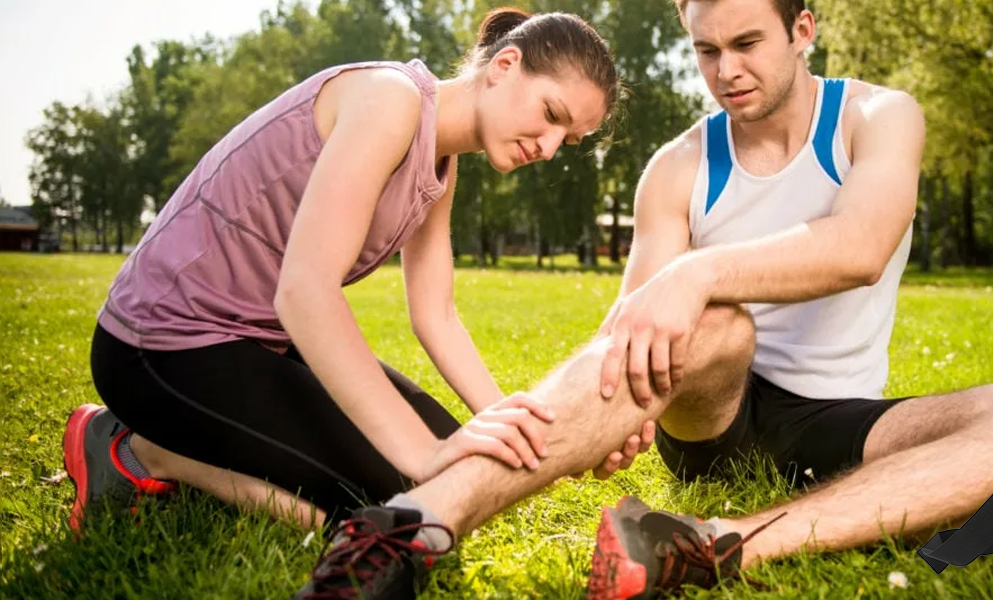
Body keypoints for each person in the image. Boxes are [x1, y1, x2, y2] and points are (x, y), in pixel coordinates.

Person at [270, 0, 993, 598]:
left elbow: (862, 246)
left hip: (842, 417)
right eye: (707, 50)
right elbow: (628, 334)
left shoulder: (879, 117)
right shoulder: (678, 166)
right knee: (720, 324)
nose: (726, 69)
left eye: (747, 43)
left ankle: (714, 542)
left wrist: (696, 273)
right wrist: (617, 411)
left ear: (802, 30)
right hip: (713, 412)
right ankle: (414, 525)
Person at [63, 8, 639, 597]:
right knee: (399, 502)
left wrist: (528, 432)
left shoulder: (442, 160)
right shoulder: (390, 101)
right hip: (158, 345)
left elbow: (435, 313)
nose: (549, 147)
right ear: (505, 65)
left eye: (568, 140)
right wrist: (422, 454)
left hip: (256, 342)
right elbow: (305, 291)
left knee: (459, 471)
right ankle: (137, 450)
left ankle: (186, 443)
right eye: (551, 115)